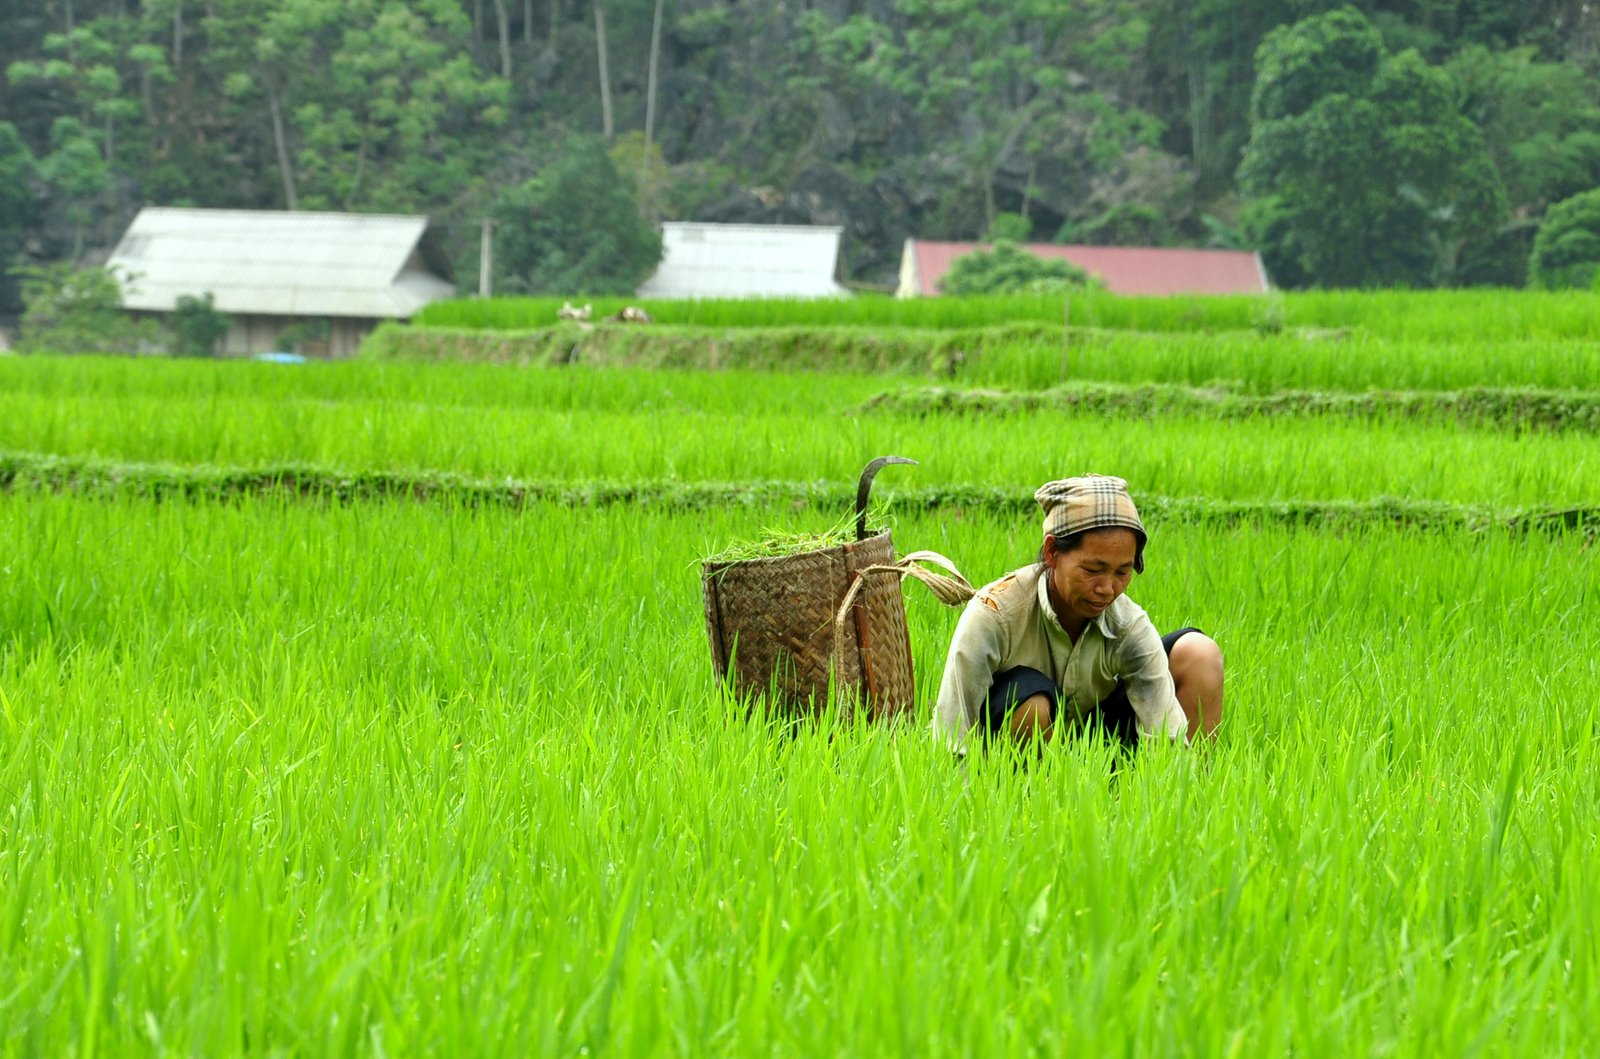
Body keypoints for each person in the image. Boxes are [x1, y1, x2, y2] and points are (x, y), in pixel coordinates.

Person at [933, 474, 1224, 756]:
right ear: (1052, 553)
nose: (1108, 589)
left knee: (1200, 654)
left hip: (1095, 747)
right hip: (1008, 754)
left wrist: (1177, 795)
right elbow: (952, 734)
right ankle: (1034, 798)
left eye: (1122, 572)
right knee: (1030, 702)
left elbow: (1166, 733)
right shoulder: (995, 613)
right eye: (1093, 570)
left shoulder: (1128, 624)